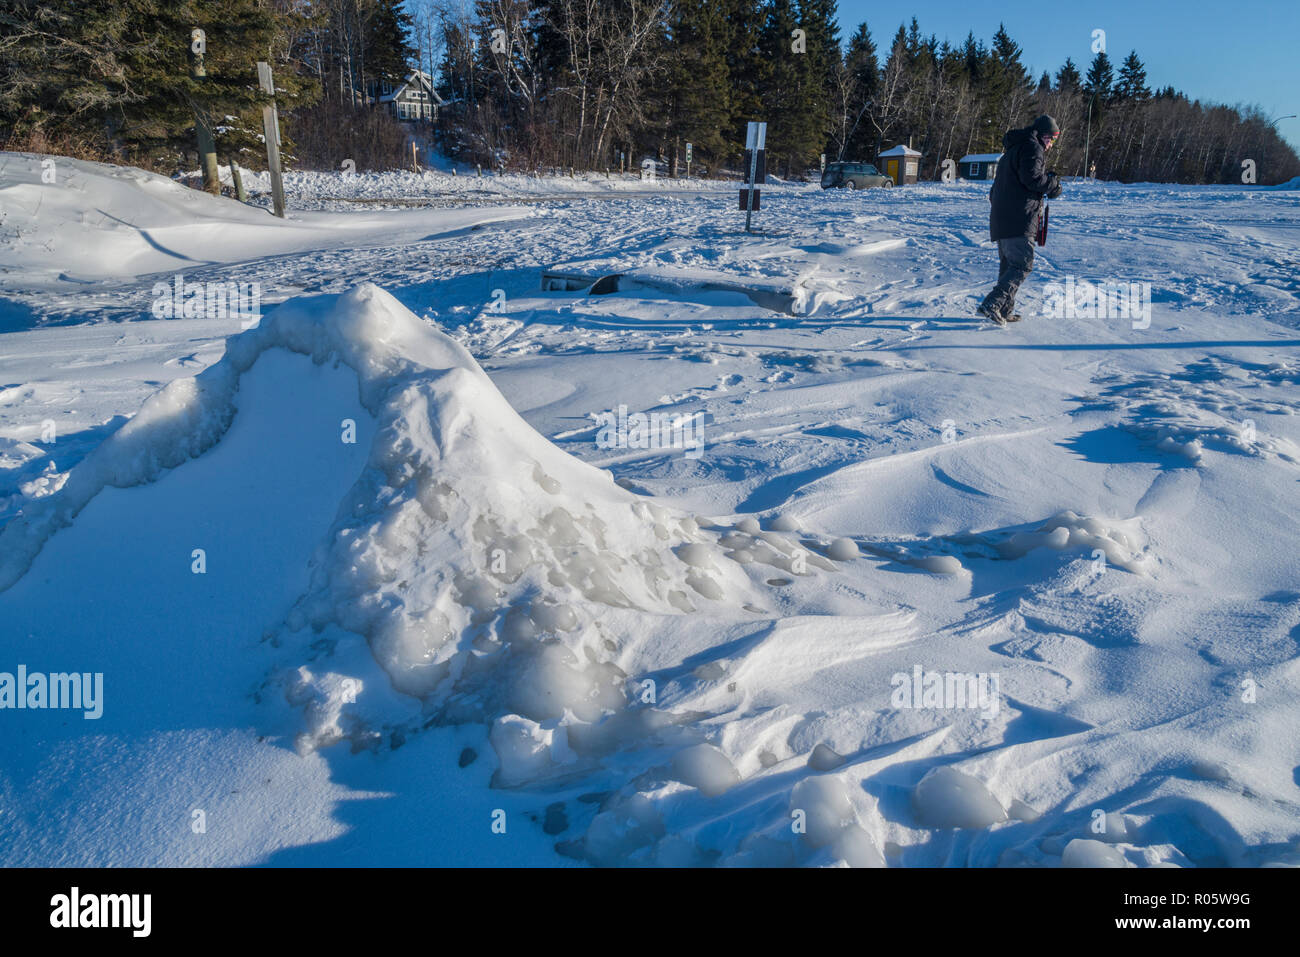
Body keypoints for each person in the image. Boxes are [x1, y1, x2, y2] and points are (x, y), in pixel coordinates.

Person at [978, 114, 1063, 326]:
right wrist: (1053, 184)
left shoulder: (1011, 152)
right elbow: (1032, 178)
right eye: (1051, 139)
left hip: (1002, 219)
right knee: (1022, 265)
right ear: (1044, 136)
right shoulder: (1032, 148)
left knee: (1009, 267)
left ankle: (1005, 310)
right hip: (1019, 218)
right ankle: (992, 304)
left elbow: (998, 189)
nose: (1051, 144)